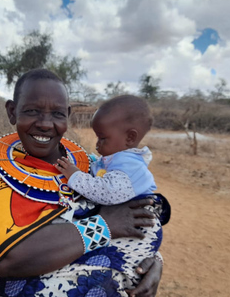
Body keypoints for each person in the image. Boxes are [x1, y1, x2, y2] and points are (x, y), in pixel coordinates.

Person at [0, 69, 168, 297]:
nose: (45, 124)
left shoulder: (88, 167)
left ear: (67, 115)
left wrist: (150, 261)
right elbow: (5, 257)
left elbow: (137, 214)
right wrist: (104, 225)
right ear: (12, 112)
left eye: (57, 114)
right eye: (32, 111)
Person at [55, 95, 166, 289]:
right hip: (126, 221)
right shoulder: (118, 157)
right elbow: (100, 168)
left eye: (102, 138)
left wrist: (75, 176)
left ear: (130, 137)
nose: (98, 144)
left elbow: (107, 193)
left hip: (138, 227)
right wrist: (86, 161)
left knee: (113, 271)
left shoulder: (129, 165)